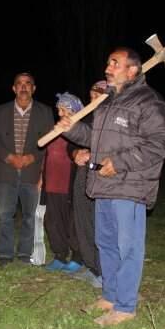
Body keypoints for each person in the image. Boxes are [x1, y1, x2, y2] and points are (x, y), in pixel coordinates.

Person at [57, 48, 165, 326]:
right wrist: (70, 128)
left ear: (132, 70)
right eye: (108, 61)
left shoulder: (149, 102)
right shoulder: (107, 102)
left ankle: (125, 306)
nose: (108, 67)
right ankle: (109, 295)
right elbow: (94, 139)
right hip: (104, 185)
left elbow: (160, 143)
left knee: (128, 247)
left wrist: (120, 162)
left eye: (115, 63)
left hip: (130, 186)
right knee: (105, 243)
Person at [0, 72, 55, 267]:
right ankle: (5, 255)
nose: (23, 87)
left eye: (28, 84)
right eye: (19, 84)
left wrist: (31, 157)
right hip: (6, 171)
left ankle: (25, 254)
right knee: (5, 215)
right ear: (14, 88)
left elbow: (50, 141)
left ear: (33, 88)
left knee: (29, 215)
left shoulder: (44, 111)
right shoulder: (2, 110)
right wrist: (9, 157)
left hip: (32, 171)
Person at [65, 80, 108, 288]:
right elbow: (70, 144)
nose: (94, 96)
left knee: (101, 225)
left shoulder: (113, 119)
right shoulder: (87, 117)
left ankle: (103, 271)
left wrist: (95, 153)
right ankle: (91, 267)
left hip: (103, 178)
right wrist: (75, 152)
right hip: (82, 176)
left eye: (99, 93)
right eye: (91, 93)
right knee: (83, 222)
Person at [41, 92, 84, 274]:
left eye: (64, 110)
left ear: (74, 111)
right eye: (58, 110)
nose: (60, 114)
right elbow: (45, 156)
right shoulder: (54, 130)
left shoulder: (81, 131)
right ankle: (59, 255)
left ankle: (77, 257)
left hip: (71, 185)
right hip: (52, 184)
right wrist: (40, 179)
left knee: (73, 223)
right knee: (53, 221)